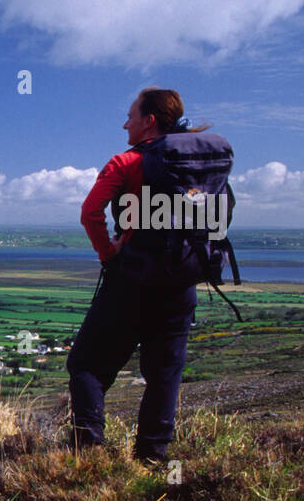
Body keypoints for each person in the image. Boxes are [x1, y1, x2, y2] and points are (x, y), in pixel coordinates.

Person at [67, 87, 213, 465]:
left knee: (86, 365)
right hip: (180, 283)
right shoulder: (201, 162)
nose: (124, 123)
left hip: (131, 282)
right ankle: (152, 458)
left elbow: (90, 212)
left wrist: (108, 252)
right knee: (164, 374)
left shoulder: (127, 162)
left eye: (130, 116)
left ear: (149, 121)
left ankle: (89, 453)